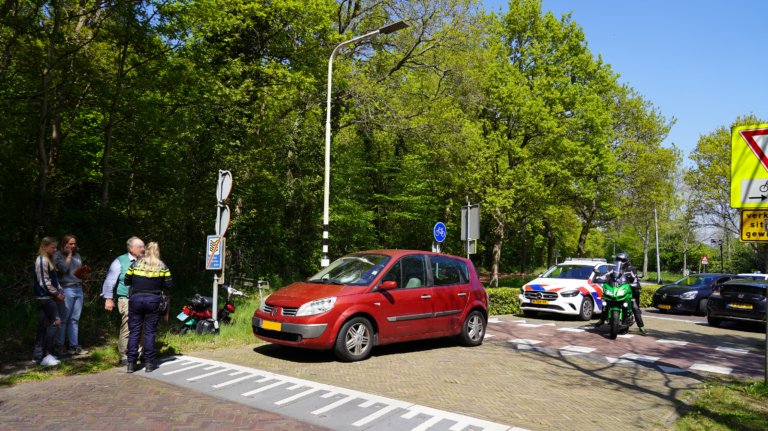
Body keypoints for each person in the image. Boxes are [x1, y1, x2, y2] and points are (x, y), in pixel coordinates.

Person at [124, 242, 171, 373]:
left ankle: (131, 364)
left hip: (136, 300)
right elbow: (169, 285)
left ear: (145, 251)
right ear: (157, 252)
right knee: (150, 333)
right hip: (153, 302)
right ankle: (149, 363)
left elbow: (126, 281)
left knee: (134, 333)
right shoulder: (162, 266)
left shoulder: (135, 264)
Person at [101, 237, 145, 365]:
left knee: (142, 326)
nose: (143, 249)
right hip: (126, 299)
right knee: (128, 327)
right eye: (140, 247)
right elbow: (109, 281)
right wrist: (108, 299)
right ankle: (124, 356)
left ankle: (139, 353)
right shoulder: (120, 261)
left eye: (143, 247)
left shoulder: (145, 261)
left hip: (143, 299)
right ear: (131, 249)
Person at [592, 253, 647, 335]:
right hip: (615, 289)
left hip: (627, 291)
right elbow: (605, 275)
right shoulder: (613, 268)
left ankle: (641, 326)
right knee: (605, 303)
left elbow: (636, 278)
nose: (620, 262)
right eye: (618, 260)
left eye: (622, 260)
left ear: (627, 261)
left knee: (635, 307)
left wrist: (635, 283)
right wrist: (598, 278)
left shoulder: (631, 269)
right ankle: (602, 320)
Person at [53, 233, 89, 356]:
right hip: (66, 289)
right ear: (64, 244)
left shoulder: (77, 255)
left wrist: (84, 275)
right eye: (70, 244)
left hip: (78, 288)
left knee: (75, 319)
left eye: (74, 244)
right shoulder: (58, 255)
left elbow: (76, 272)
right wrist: (68, 256)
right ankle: (59, 345)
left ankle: (74, 345)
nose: (73, 246)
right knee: (63, 318)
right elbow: (63, 269)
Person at [33, 237, 65, 366]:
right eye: (53, 247)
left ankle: (38, 356)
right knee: (55, 322)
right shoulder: (41, 260)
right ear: (44, 246)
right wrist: (57, 293)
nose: (55, 249)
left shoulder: (49, 260)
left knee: (43, 325)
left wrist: (60, 291)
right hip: (45, 297)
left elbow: (54, 280)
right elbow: (44, 282)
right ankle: (47, 354)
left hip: (50, 296)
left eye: (56, 247)